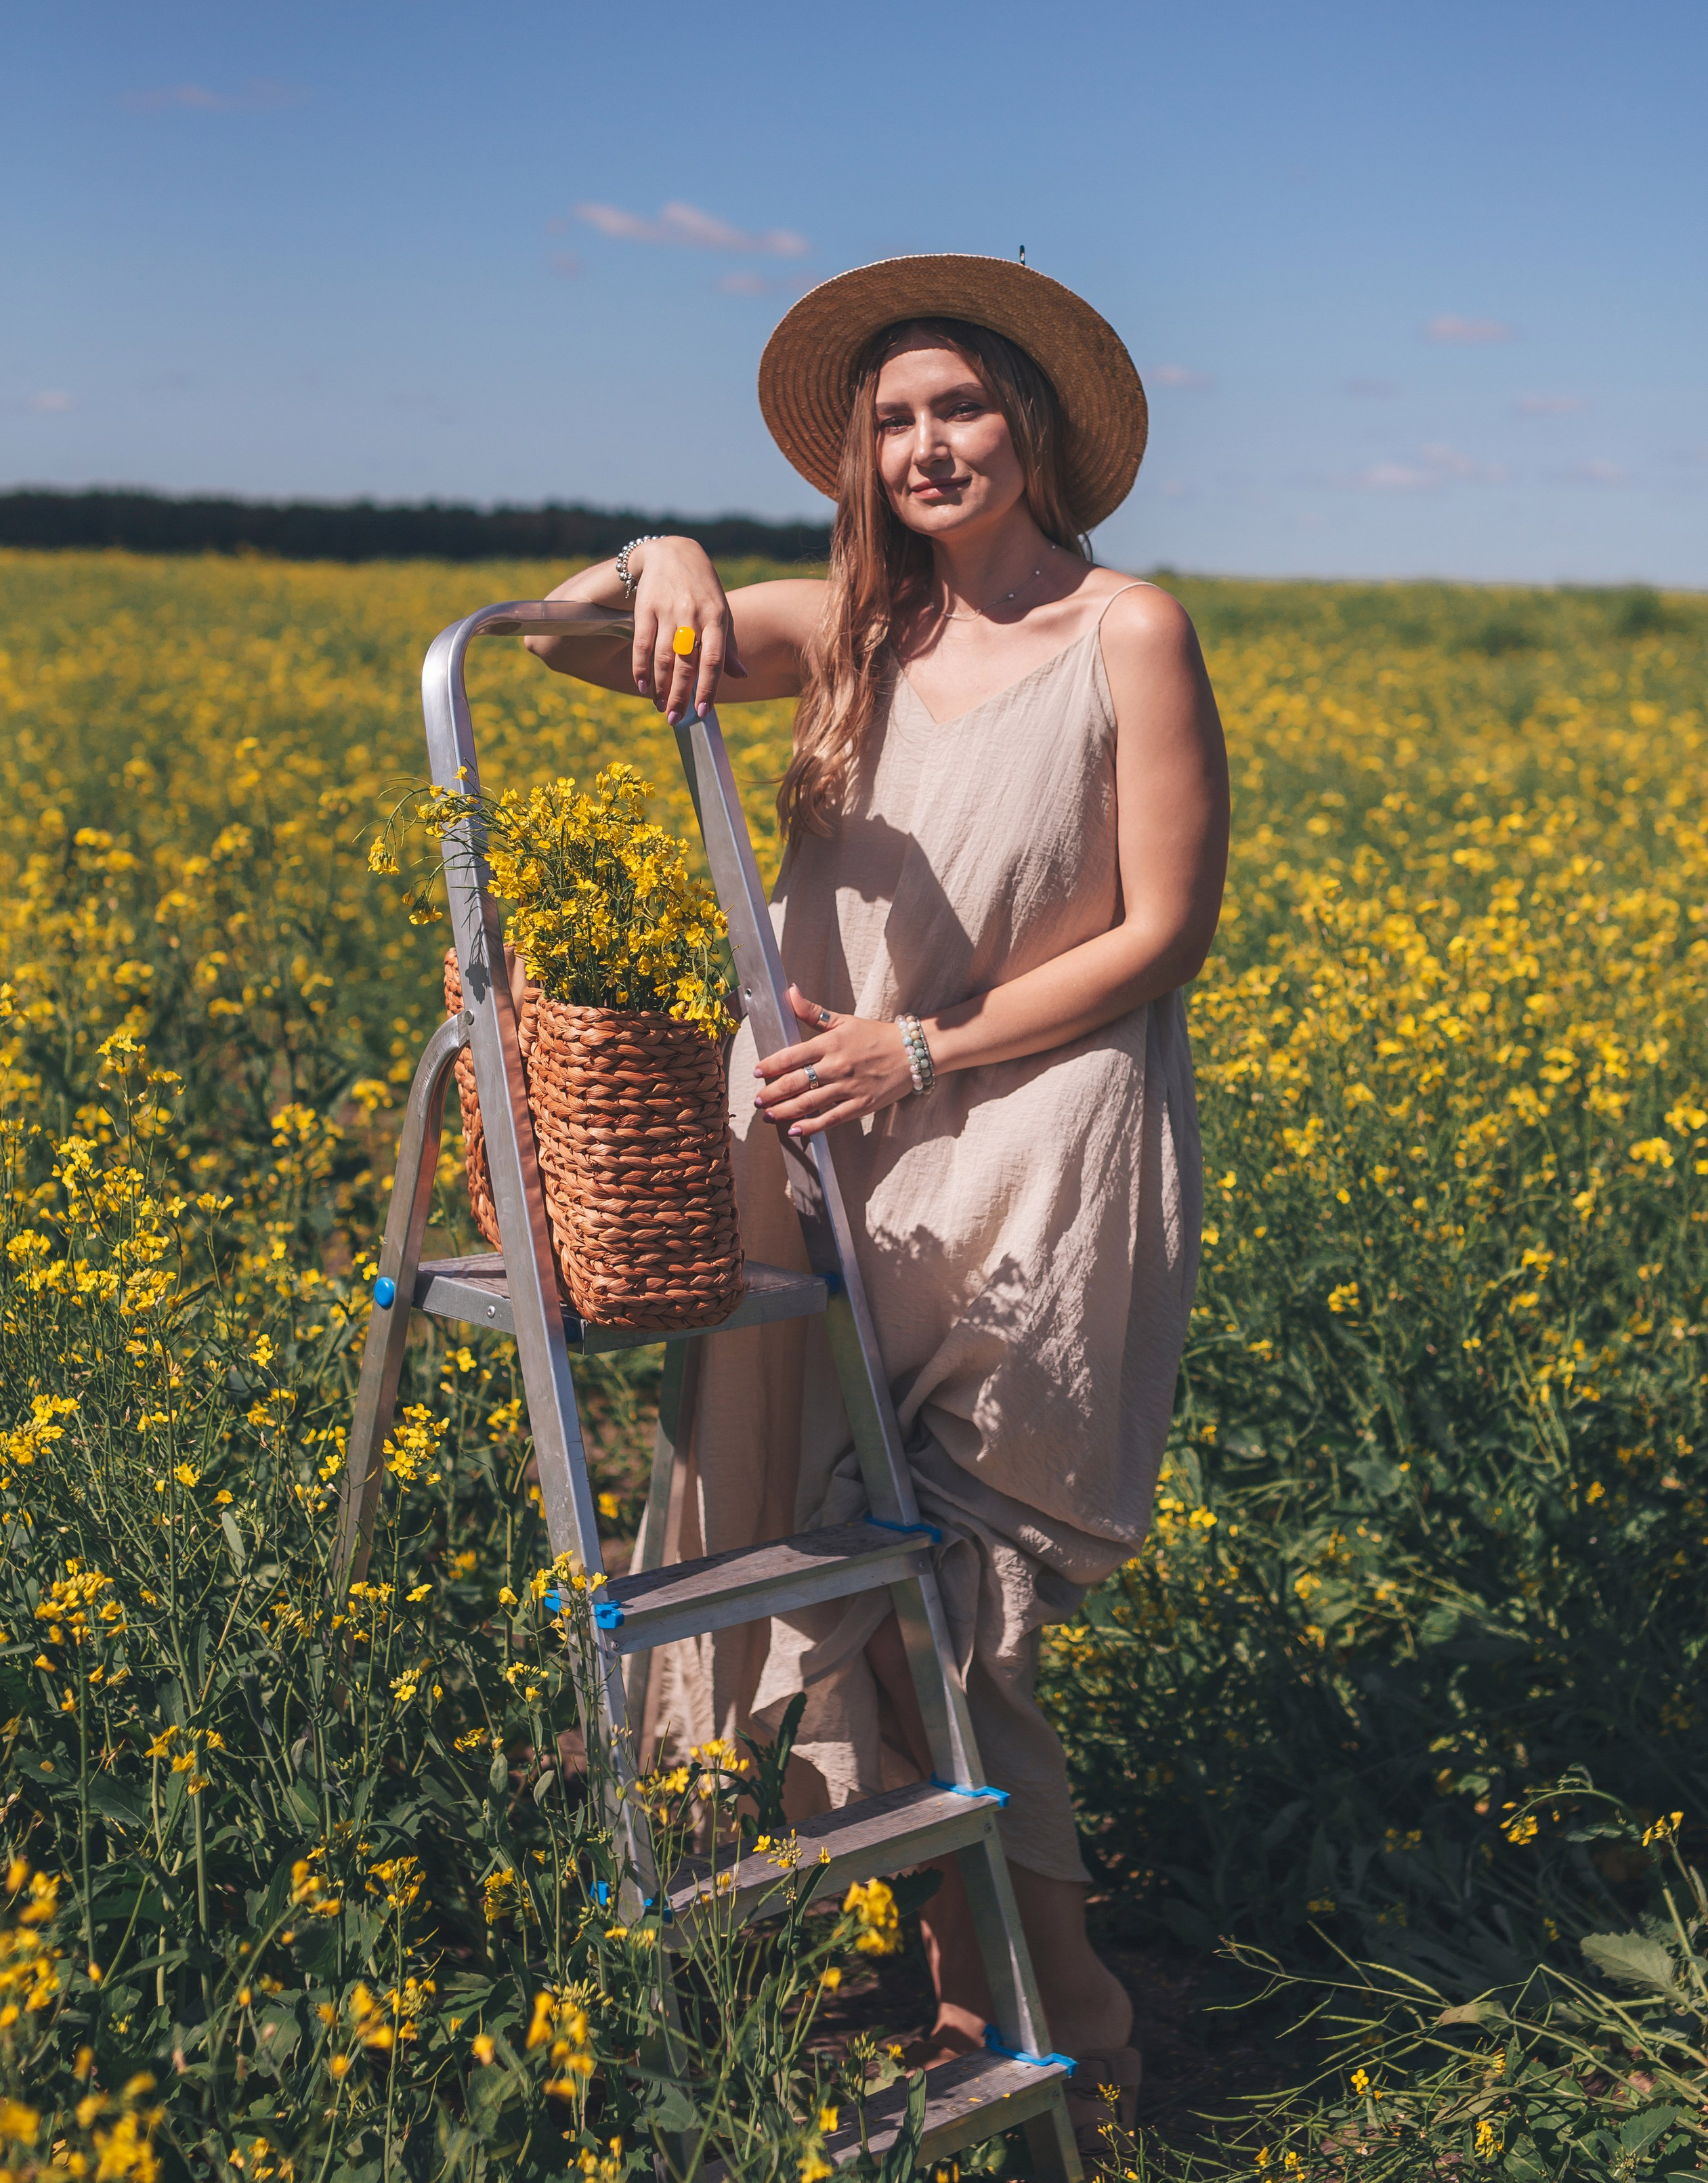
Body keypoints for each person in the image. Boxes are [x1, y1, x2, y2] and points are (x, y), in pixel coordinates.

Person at [526, 253, 1229, 2127]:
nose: (926, 447)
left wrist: (924, 1048)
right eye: (894, 421)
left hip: (1035, 1161)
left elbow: (1167, 928)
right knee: (850, 1560)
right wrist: (659, 558)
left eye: (961, 409)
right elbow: (567, 647)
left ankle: (1064, 2013)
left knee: (954, 1588)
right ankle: (975, 1983)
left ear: (1035, 431)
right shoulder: (856, 628)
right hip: (840, 1162)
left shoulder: (1126, 632)